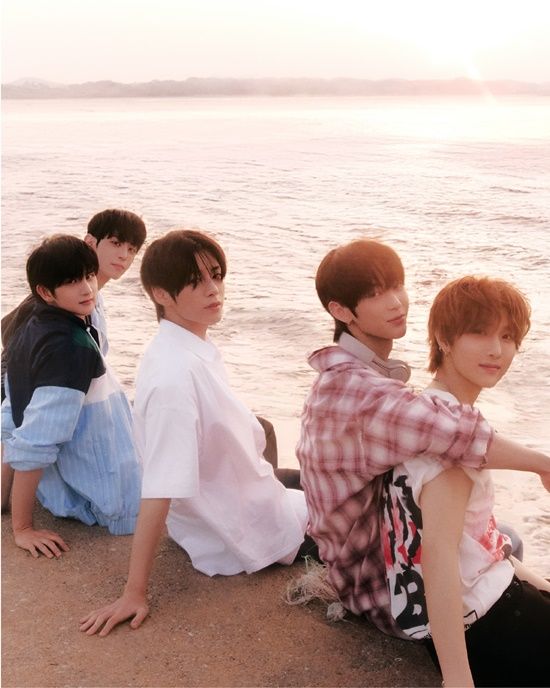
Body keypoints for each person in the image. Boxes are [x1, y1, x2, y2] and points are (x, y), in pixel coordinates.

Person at [296, 238, 550, 638]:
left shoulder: (355, 376)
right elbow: (458, 432)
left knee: (499, 541)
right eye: (376, 294)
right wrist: (542, 464)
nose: (396, 302)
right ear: (341, 311)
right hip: (378, 584)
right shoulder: (356, 389)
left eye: (398, 285)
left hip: (369, 556)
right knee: (500, 546)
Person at [80, 229, 314, 637]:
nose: (213, 289)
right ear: (161, 294)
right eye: (195, 281)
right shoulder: (175, 377)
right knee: (375, 510)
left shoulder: (180, 346)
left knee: (306, 466)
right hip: (240, 529)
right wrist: (134, 592)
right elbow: (158, 488)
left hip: (240, 493)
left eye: (216, 275)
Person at [381, 276, 550, 686]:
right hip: (492, 623)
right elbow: (438, 559)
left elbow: (481, 545)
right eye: (479, 332)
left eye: (507, 336)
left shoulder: (431, 416)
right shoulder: (453, 446)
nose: (496, 349)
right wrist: (458, 677)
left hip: (486, 608)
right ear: (444, 338)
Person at [1, 235, 141, 558]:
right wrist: (23, 528)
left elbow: (11, 411)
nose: (88, 288)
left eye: (89, 275)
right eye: (72, 281)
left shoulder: (32, 325)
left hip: (81, 471)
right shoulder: (69, 350)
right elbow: (35, 441)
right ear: (45, 292)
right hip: (102, 493)